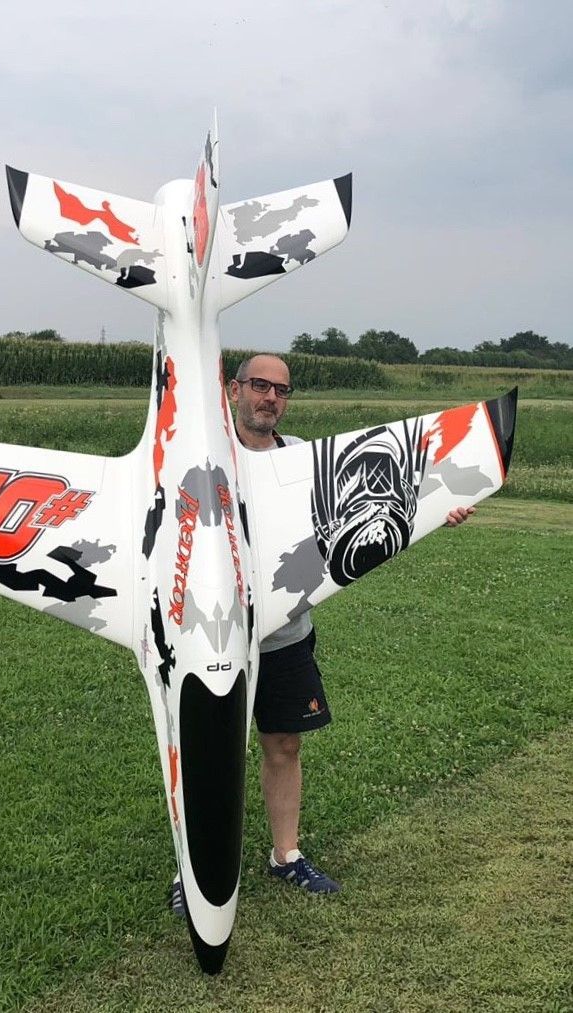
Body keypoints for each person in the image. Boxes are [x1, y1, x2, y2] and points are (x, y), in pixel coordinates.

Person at [170, 353, 473, 914]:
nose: (270, 398)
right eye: (260, 386)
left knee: (285, 745)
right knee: (206, 753)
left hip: (285, 635)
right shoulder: (201, 457)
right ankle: (193, 870)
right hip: (208, 636)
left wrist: (438, 507)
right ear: (234, 390)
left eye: (281, 390)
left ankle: (285, 855)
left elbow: (366, 505)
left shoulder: (303, 457)